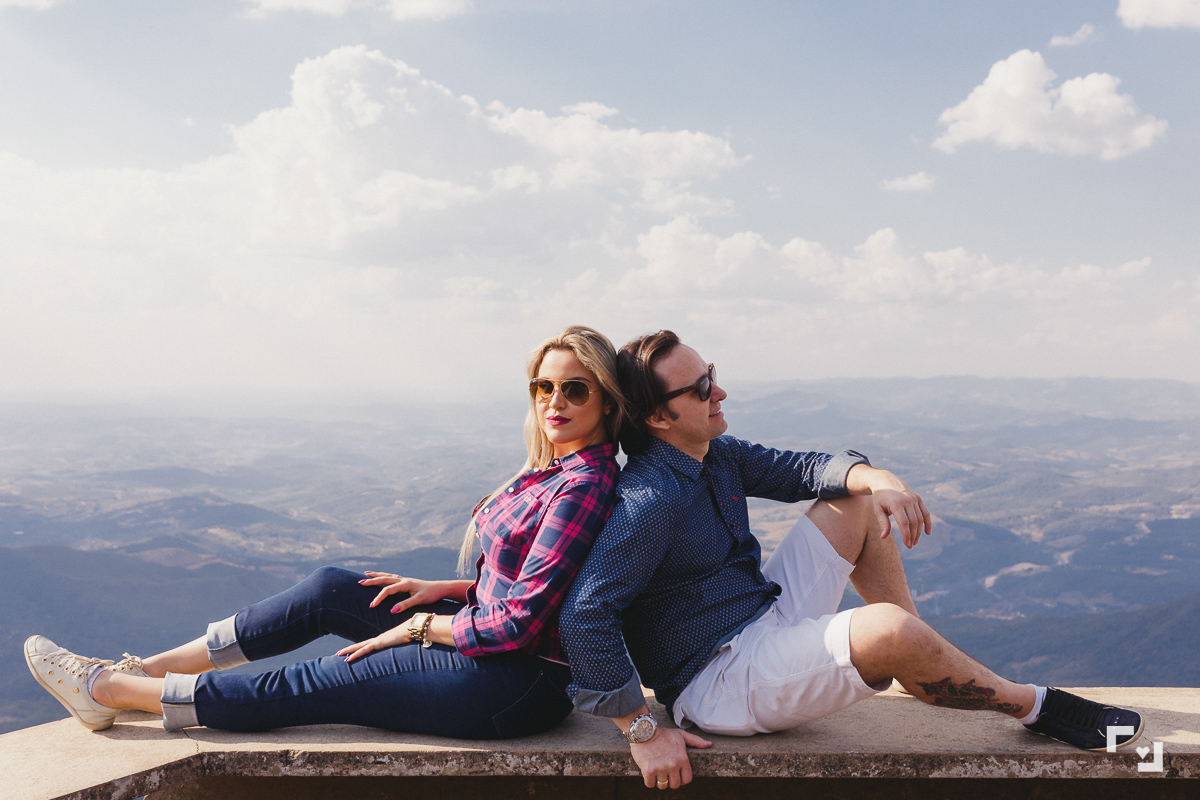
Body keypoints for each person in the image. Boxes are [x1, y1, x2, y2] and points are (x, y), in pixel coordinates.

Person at [560, 330, 1145, 790]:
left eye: (712, 376)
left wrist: (881, 480)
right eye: (700, 388)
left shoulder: (715, 454)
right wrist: (641, 732)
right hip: (717, 681)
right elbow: (585, 617)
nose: (720, 392)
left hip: (762, 620)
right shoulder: (648, 500)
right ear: (659, 418)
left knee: (857, 502)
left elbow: (807, 469)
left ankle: (919, 663)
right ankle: (1035, 707)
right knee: (885, 630)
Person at [25, 325, 625, 739]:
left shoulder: (582, 485)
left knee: (322, 679)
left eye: (575, 388)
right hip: (486, 650)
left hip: (510, 685)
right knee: (332, 588)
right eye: (544, 386)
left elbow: (518, 625)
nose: (555, 400)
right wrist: (443, 589)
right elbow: (532, 586)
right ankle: (148, 669)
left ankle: (109, 692)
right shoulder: (554, 471)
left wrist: (419, 627)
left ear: (606, 399)